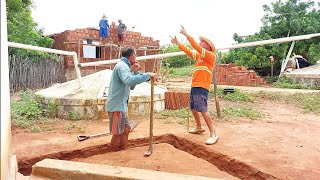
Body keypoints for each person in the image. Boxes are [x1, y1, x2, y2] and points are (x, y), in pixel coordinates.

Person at [171, 26, 219, 145]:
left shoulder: (210, 56)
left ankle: (213, 133)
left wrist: (186, 34)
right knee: (193, 107)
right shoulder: (199, 56)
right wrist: (178, 43)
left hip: (202, 86)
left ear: (208, 46)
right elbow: (188, 51)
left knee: (202, 109)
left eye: (202, 42)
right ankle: (199, 127)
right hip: (195, 85)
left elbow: (195, 47)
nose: (200, 43)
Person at [106, 46, 157, 151]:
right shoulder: (122, 66)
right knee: (117, 133)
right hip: (117, 105)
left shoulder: (125, 67)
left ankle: (123, 152)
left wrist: (135, 72)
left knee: (126, 129)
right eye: (135, 55)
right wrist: (147, 75)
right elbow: (129, 81)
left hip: (120, 105)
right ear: (132, 56)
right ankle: (114, 155)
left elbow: (131, 86)